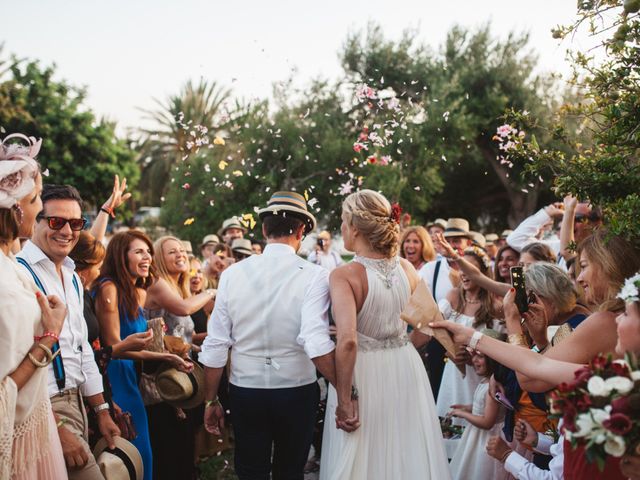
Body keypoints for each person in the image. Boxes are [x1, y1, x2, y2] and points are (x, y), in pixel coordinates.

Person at [430, 273, 640, 480]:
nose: (617, 318)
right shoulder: (610, 373)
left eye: (627, 314)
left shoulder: (613, 377)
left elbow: (533, 375)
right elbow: (537, 364)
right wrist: (470, 337)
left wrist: (507, 456)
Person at [200, 191, 337, 480]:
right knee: (290, 470)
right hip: (297, 390)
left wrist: (211, 400)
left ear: (264, 230)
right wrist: (345, 387)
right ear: (302, 231)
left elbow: (216, 344)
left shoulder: (232, 275)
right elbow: (314, 339)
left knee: (251, 471)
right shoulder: (315, 275)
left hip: (245, 391)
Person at [320, 189, 451, 480]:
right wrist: (401, 345)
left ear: (354, 226)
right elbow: (429, 323)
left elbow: (348, 340)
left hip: (364, 372)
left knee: (364, 452)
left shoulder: (344, 275)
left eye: (343, 220)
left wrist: (344, 399)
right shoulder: (407, 267)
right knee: (406, 449)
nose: (341, 228)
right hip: (406, 366)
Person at [17, 184, 121, 480]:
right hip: (41, 407)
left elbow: (81, 348)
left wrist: (101, 409)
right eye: (55, 221)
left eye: (75, 223)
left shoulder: (73, 277)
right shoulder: (19, 273)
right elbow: (11, 362)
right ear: (35, 220)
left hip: (77, 401)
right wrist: (55, 427)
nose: (66, 230)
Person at [95, 231, 194, 480]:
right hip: (116, 382)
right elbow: (113, 347)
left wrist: (166, 348)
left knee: (143, 459)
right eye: (139, 251)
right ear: (120, 255)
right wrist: (163, 358)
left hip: (131, 378)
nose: (147, 257)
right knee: (131, 461)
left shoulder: (131, 290)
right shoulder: (109, 287)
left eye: (149, 252)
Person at [0, 133, 67, 479]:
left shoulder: (10, 265)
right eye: (36, 198)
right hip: (14, 441)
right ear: (15, 207)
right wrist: (50, 336)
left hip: (35, 426)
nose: (41, 207)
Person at [144, 235, 215, 480]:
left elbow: (188, 337)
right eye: (172, 252)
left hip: (183, 379)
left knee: (185, 447)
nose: (180, 254)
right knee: (169, 451)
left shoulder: (180, 287)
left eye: (182, 250)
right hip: (161, 383)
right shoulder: (156, 283)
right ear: (159, 259)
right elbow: (183, 309)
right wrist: (212, 291)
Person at [428, 247, 503, 421]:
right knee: (450, 421)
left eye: (470, 268)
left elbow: (501, 346)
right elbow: (435, 327)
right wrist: (450, 349)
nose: (464, 273)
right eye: (461, 268)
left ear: (482, 273)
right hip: (454, 373)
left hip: (480, 377)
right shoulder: (453, 297)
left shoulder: (496, 306)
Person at [417, 218, 470, 400]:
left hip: (469, 339)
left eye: (457, 240)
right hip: (438, 339)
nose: (452, 245)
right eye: (449, 240)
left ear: (468, 243)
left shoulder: (475, 269)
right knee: (438, 388)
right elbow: (419, 300)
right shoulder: (431, 269)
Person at [448, 335, 508, 480]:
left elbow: (487, 422)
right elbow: (482, 406)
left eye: (479, 356)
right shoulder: (485, 382)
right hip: (476, 436)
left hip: (486, 439)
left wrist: (462, 414)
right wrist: (467, 408)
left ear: (492, 359)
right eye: (473, 355)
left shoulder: (492, 388)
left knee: (479, 470)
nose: (474, 360)